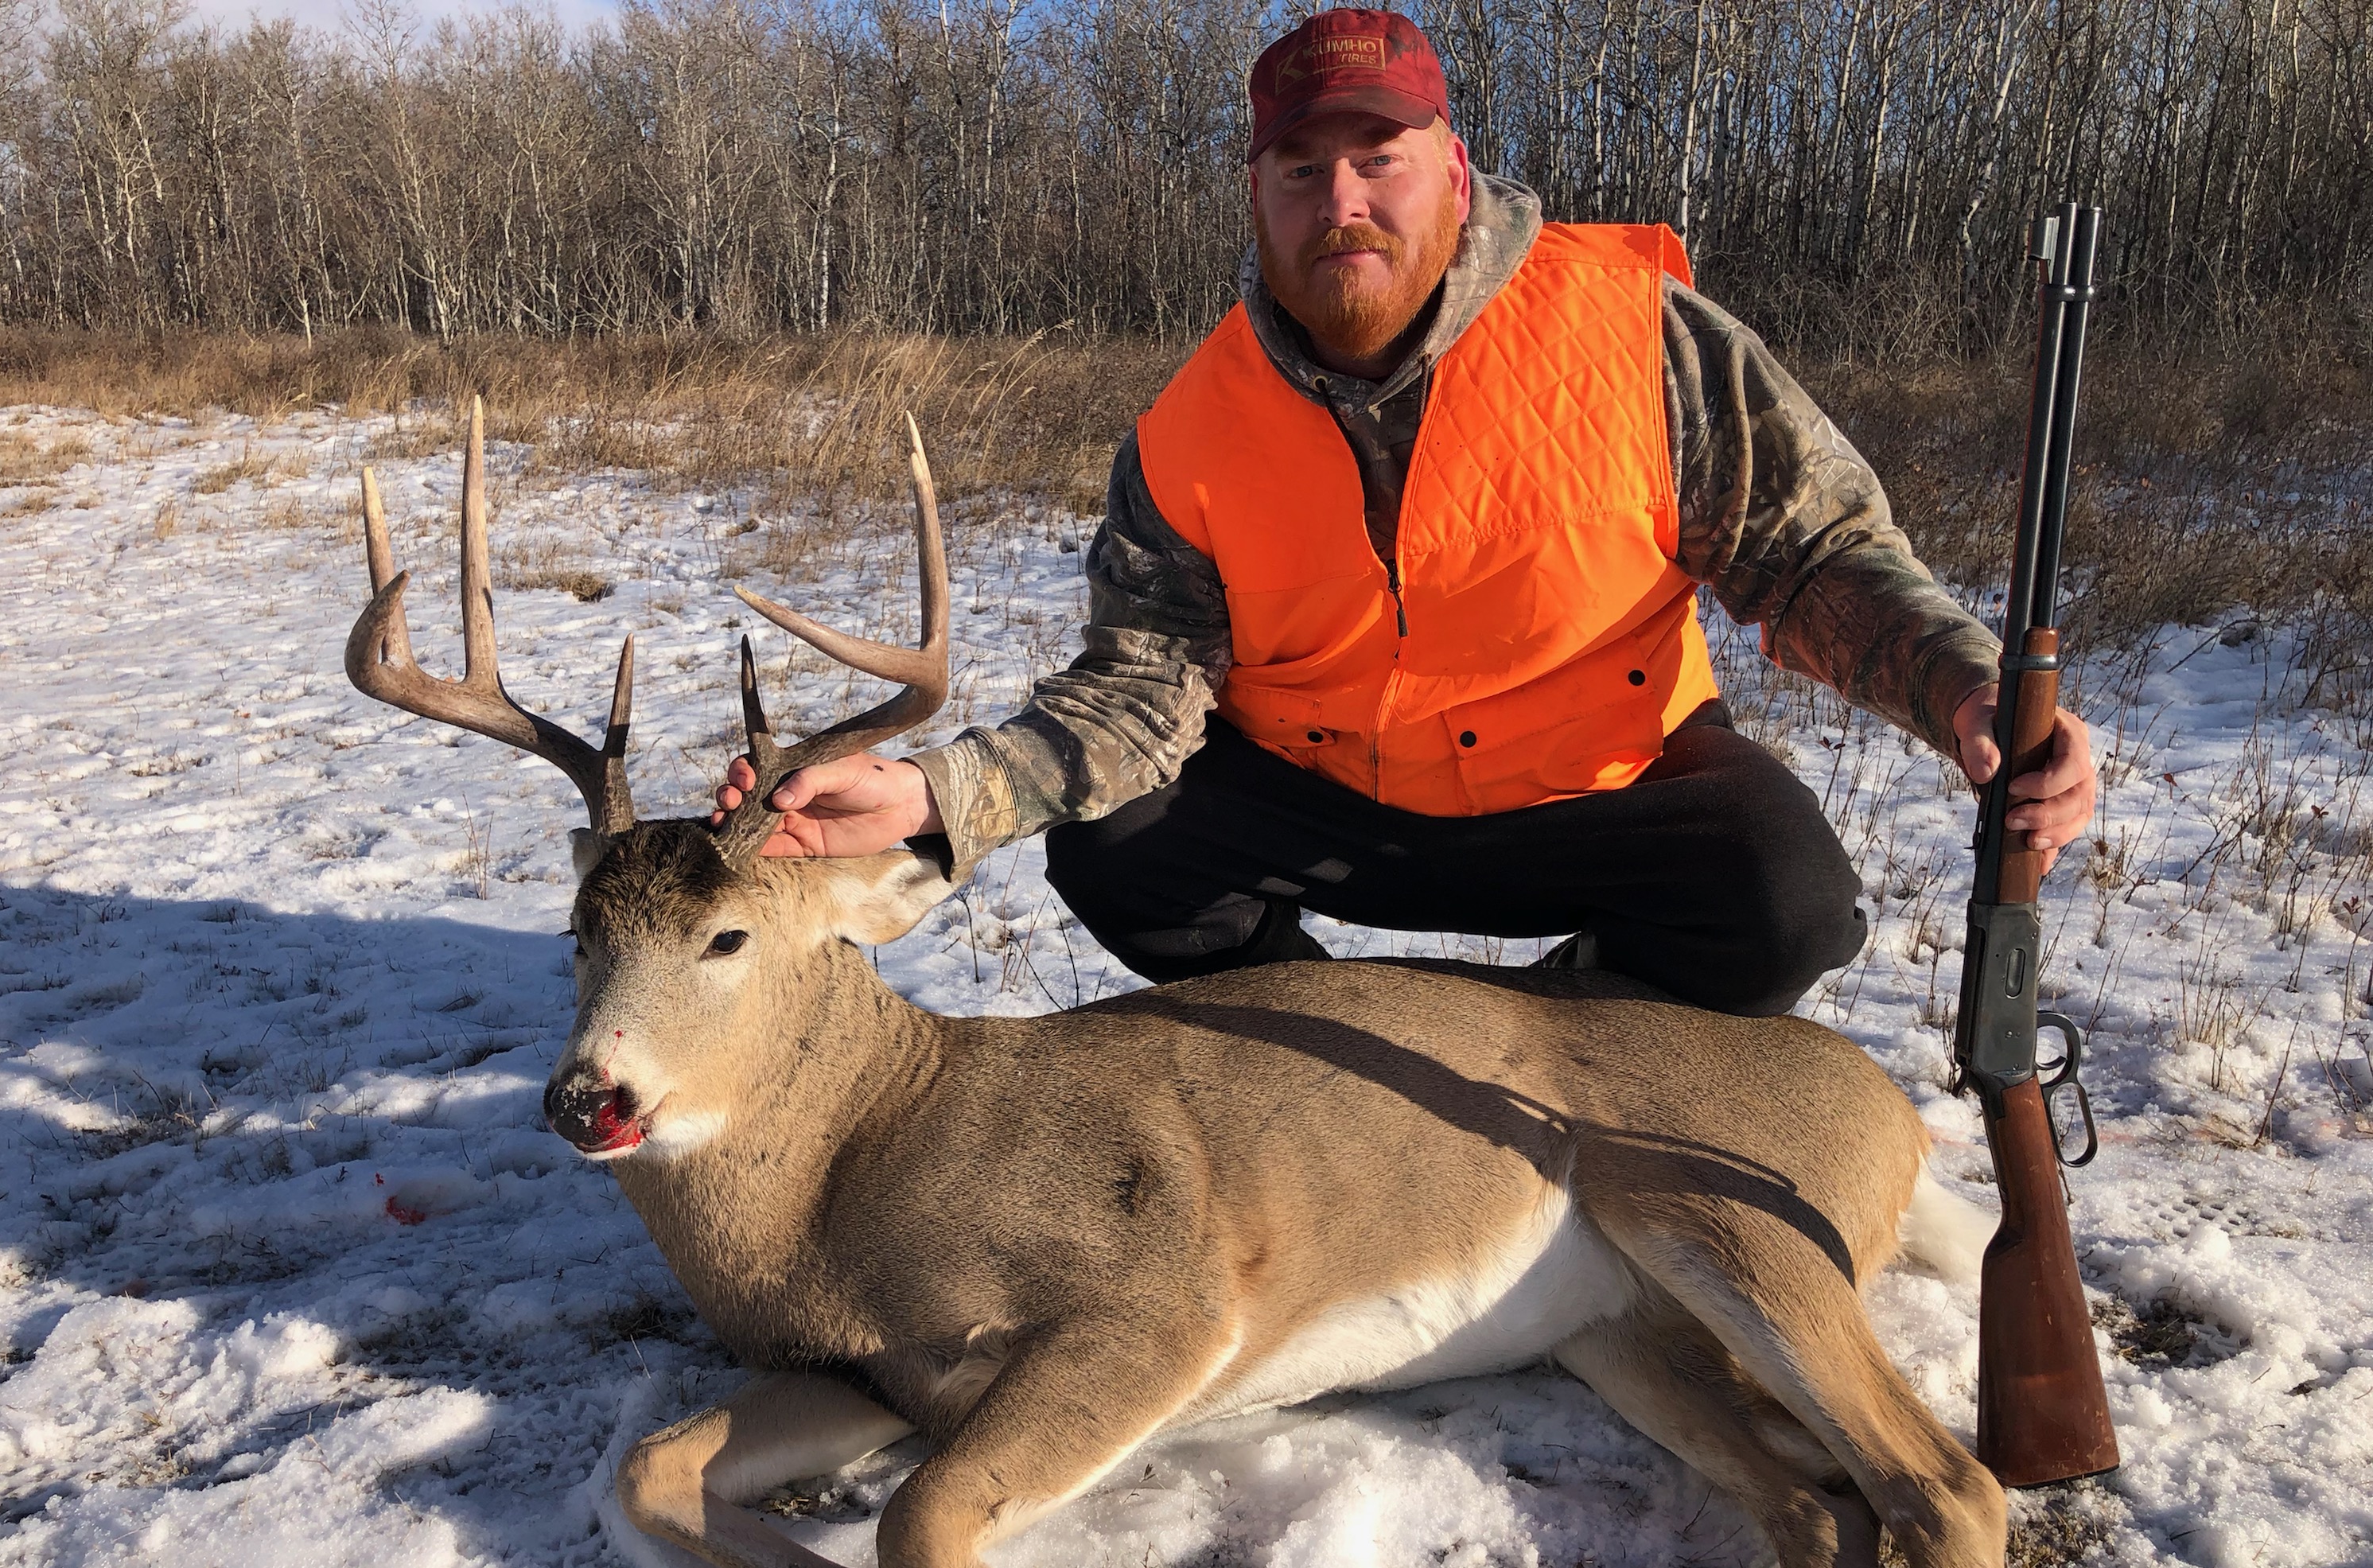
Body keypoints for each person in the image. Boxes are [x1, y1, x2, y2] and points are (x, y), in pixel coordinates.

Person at [713, 8, 2095, 1018]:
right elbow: (1136, 698)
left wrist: (1966, 689)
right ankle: (1322, 1046)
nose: (1343, 202)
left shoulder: (1636, 334)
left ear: (1454, 165)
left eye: (1379, 156)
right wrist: (934, 796)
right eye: (1301, 169)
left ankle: (1576, 1028)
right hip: (1328, 809)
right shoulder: (1191, 428)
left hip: (1598, 796)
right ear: (1257, 194)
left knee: (1784, 899)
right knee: (1116, 846)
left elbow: (1814, 556)